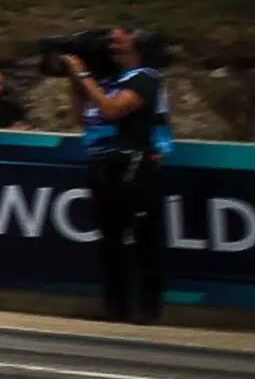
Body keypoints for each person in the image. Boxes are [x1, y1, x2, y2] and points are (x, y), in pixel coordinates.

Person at [61, 26, 172, 323]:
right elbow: (84, 117)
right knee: (110, 239)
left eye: (119, 40)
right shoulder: (111, 81)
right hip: (104, 164)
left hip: (135, 164)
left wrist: (83, 75)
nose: (112, 45)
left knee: (142, 239)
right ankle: (115, 305)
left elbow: (112, 110)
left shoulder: (146, 78)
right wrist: (77, 82)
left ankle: (148, 309)